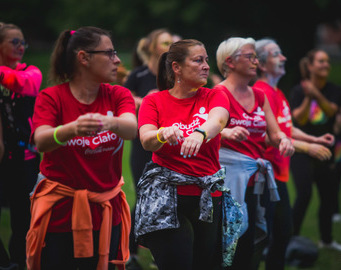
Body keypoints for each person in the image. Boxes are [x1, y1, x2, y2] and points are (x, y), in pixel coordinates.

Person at [26, 26, 137, 270]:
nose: (117, 60)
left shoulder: (118, 94)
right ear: (84, 58)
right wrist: (72, 129)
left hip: (105, 211)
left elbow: (131, 129)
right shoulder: (52, 97)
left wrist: (110, 122)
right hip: (60, 213)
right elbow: (41, 140)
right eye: (109, 53)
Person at [135, 39, 240, 270]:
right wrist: (162, 134)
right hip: (166, 199)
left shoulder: (214, 95)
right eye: (198, 60)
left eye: (206, 60)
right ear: (176, 67)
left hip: (207, 197)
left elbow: (219, 119)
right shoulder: (154, 100)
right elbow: (146, 140)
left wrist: (200, 133)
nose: (206, 66)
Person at [253, 38, 334, 269]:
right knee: (264, 236)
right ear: (261, 63)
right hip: (263, 174)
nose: (284, 58)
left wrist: (313, 138)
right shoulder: (261, 91)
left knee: (282, 232)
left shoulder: (276, 91)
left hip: (278, 174)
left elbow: (286, 126)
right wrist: (309, 148)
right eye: (277, 54)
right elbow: (272, 135)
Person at [214, 37, 294, 270]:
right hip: (226, 180)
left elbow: (275, 133)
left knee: (252, 242)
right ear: (230, 61)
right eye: (250, 56)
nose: (255, 61)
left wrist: (285, 141)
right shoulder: (218, 93)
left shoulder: (260, 95)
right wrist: (226, 132)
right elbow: (206, 131)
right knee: (228, 240)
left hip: (256, 179)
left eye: (255, 57)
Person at [289, 48, 341, 252]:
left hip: (325, 149)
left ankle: (327, 239)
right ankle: (292, 239)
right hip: (302, 150)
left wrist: (316, 94)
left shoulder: (334, 90)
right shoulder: (298, 91)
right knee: (304, 194)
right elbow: (299, 119)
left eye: (327, 61)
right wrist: (308, 97)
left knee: (328, 195)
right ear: (311, 66)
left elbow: (332, 111)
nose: (326, 65)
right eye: (321, 61)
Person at [123, 28, 173, 270]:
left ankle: (159, 254)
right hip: (143, 142)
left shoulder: (173, 74)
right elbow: (125, 99)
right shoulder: (138, 74)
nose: (169, 46)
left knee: (166, 198)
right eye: (165, 42)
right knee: (144, 196)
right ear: (152, 46)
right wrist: (149, 101)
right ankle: (130, 252)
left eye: (172, 43)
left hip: (168, 143)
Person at [0, 22, 42, 270]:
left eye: (22, 41)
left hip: (24, 157)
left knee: (23, 218)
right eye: (14, 41)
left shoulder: (31, 71)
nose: (20, 46)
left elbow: (26, 85)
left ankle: (21, 262)